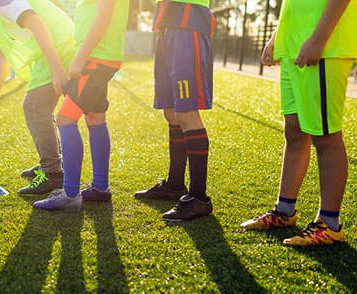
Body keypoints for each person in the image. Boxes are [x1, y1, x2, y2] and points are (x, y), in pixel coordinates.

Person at [240, 0, 356, 246]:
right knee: (294, 132)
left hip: (324, 45)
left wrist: (319, 38)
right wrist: (276, 36)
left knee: (325, 136)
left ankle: (330, 224)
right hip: (293, 43)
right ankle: (285, 211)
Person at [33, 0, 129, 212]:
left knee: (65, 119)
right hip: (102, 56)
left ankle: (70, 194)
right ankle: (101, 188)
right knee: (95, 117)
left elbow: (103, 17)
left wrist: (80, 57)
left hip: (96, 57)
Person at [133, 0, 215, 221]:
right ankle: (175, 184)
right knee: (170, 110)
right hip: (168, 23)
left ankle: (198, 197)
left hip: (188, 22)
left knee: (187, 111)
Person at [0, 0, 75, 195]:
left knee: (35, 108)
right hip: (59, 46)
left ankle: (53, 173)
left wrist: (57, 68)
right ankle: (53, 166)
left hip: (59, 47)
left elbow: (38, 24)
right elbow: (3, 56)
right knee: (38, 109)